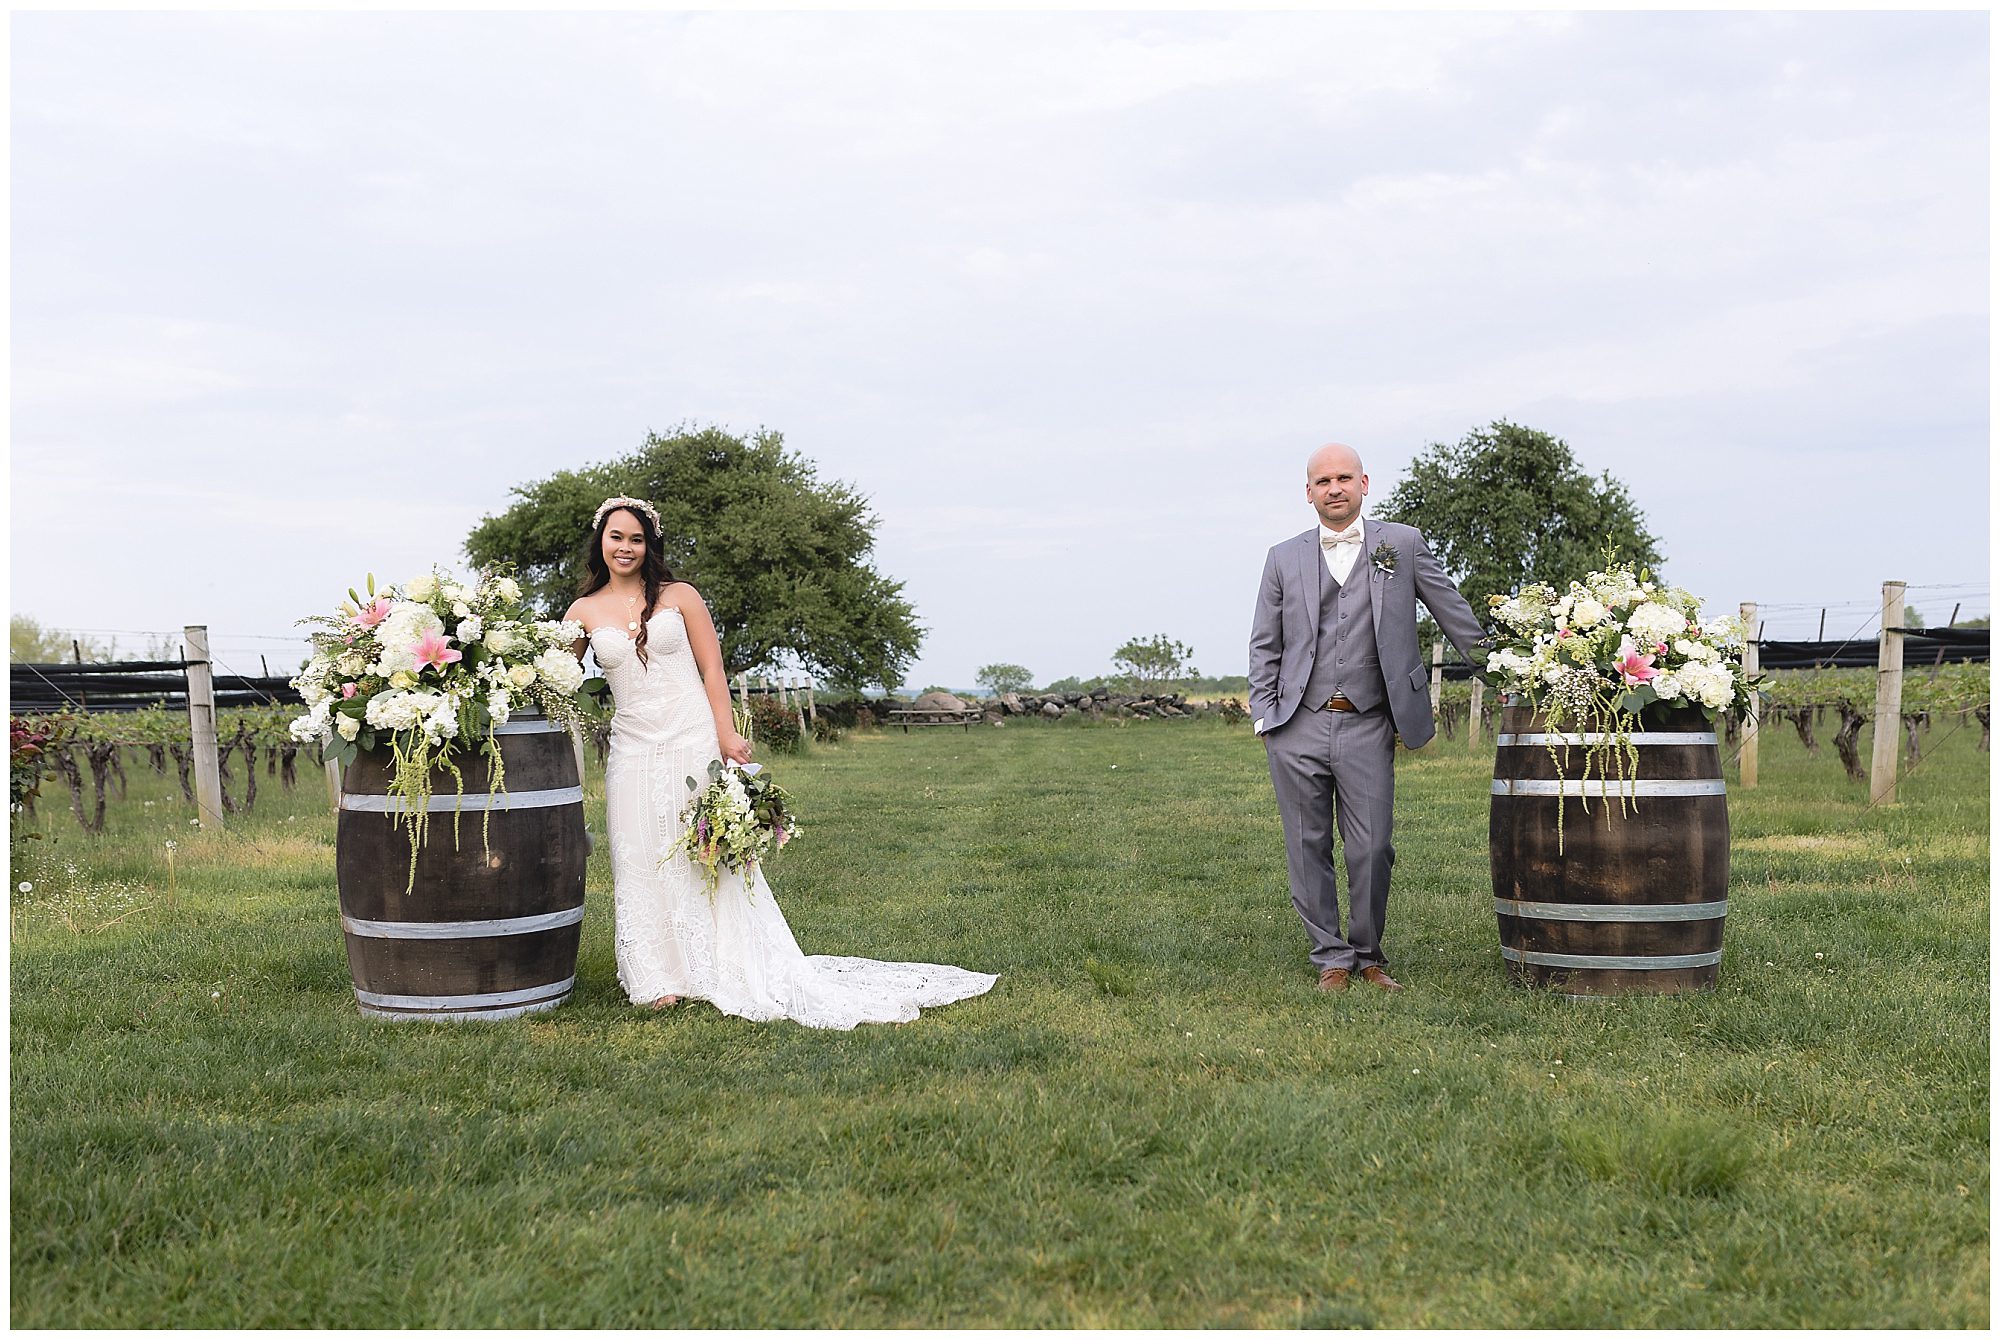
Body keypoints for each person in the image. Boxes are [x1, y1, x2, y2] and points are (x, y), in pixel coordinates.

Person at [565, 496, 997, 1027]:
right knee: (638, 852)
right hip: (631, 746)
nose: (625, 548)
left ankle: (710, 965)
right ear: (601, 542)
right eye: (616, 537)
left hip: (690, 737)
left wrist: (726, 733)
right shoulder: (583, 611)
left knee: (699, 851)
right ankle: (656, 977)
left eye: (636, 538)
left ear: (648, 545)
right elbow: (558, 677)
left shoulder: (681, 597)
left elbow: (713, 670)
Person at [1247, 444, 1486, 993]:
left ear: (1364, 483)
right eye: (1323, 481)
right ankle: (1331, 957)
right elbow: (1265, 643)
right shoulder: (1282, 558)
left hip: (1369, 720)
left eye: (1344, 478)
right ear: (1308, 492)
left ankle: (1368, 953)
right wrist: (1265, 717)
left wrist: (1507, 668)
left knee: (1372, 846)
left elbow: (1451, 610)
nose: (1334, 488)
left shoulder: (1401, 544)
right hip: (1296, 724)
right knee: (1306, 844)